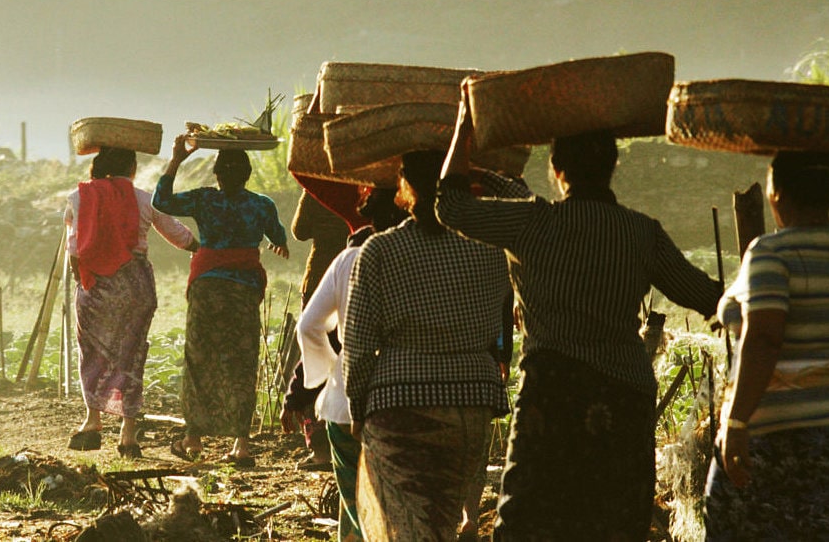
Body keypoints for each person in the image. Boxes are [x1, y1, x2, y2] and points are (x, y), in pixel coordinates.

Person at [435, 129, 722, 540]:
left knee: (528, 522)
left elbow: (451, 207)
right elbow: (706, 295)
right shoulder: (641, 233)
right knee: (615, 523)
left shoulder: (531, 222)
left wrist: (463, 131)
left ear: (556, 171)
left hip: (553, 398)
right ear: (612, 168)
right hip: (623, 398)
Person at [704, 152, 829, 540]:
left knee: (738, 527)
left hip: (775, 431)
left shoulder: (771, 253)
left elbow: (764, 338)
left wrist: (736, 422)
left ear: (777, 194)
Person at [345, 152, 518, 541]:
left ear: (404, 187)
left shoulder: (379, 251)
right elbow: (527, 209)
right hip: (472, 403)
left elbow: (357, 344)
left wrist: (358, 405)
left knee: (408, 525)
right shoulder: (491, 248)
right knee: (441, 519)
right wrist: (482, 173)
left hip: (398, 404)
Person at [154, 135, 290, 465]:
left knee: (200, 359)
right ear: (247, 175)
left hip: (207, 289)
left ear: (216, 174)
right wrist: (276, 245)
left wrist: (177, 159)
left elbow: (162, 201)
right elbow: (280, 238)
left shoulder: (204, 200)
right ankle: (241, 444)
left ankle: (194, 438)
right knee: (242, 363)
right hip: (242, 292)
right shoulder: (262, 205)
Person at [64, 146, 199, 458]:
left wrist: (83, 284)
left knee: (94, 353)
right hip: (136, 287)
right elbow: (175, 231)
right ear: (131, 168)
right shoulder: (141, 198)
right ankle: (127, 434)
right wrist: (198, 246)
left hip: (96, 284)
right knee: (132, 354)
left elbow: (74, 249)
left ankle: (93, 421)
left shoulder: (78, 198)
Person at [299, 186, 405, 542]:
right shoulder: (420, 256)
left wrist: (329, 370)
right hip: (406, 395)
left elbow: (309, 325)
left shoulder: (348, 259)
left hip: (346, 400)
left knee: (355, 505)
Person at [279, 184, 356, 471]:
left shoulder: (316, 189)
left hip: (320, 276)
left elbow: (299, 230)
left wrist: (308, 188)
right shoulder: (362, 186)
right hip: (358, 276)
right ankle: (346, 442)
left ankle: (321, 450)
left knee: (315, 354)